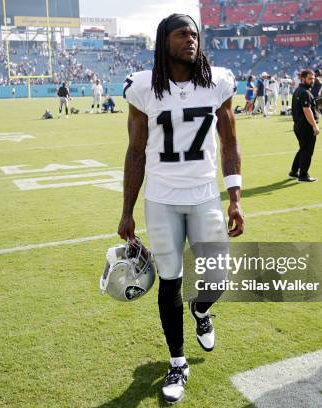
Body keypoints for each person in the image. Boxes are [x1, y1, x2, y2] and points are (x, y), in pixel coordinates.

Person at [119, 13, 244, 404]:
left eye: (194, 34)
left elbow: (230, 143)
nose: (190, 40)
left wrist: (236, 197)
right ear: (164, 41)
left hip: (205, 195)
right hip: (162, 199)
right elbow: (135, 152)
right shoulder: (143, 89)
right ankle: (178, 362)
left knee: (218, 278)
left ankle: (202, 310)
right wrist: (127, 211)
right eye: (181, 34)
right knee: (170, 280)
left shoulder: (218, 82)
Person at [289, 70, 319, 182]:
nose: (312, 80)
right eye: (310, 78)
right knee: (307, 151)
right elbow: (307, 110)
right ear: (303, 79)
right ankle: (303, 175)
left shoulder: (299, 90)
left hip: (298, 125)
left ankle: (293, 172)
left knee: (303, 149)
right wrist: (315, 126)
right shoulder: (305, 92)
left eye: (313, 78)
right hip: (306, 126)